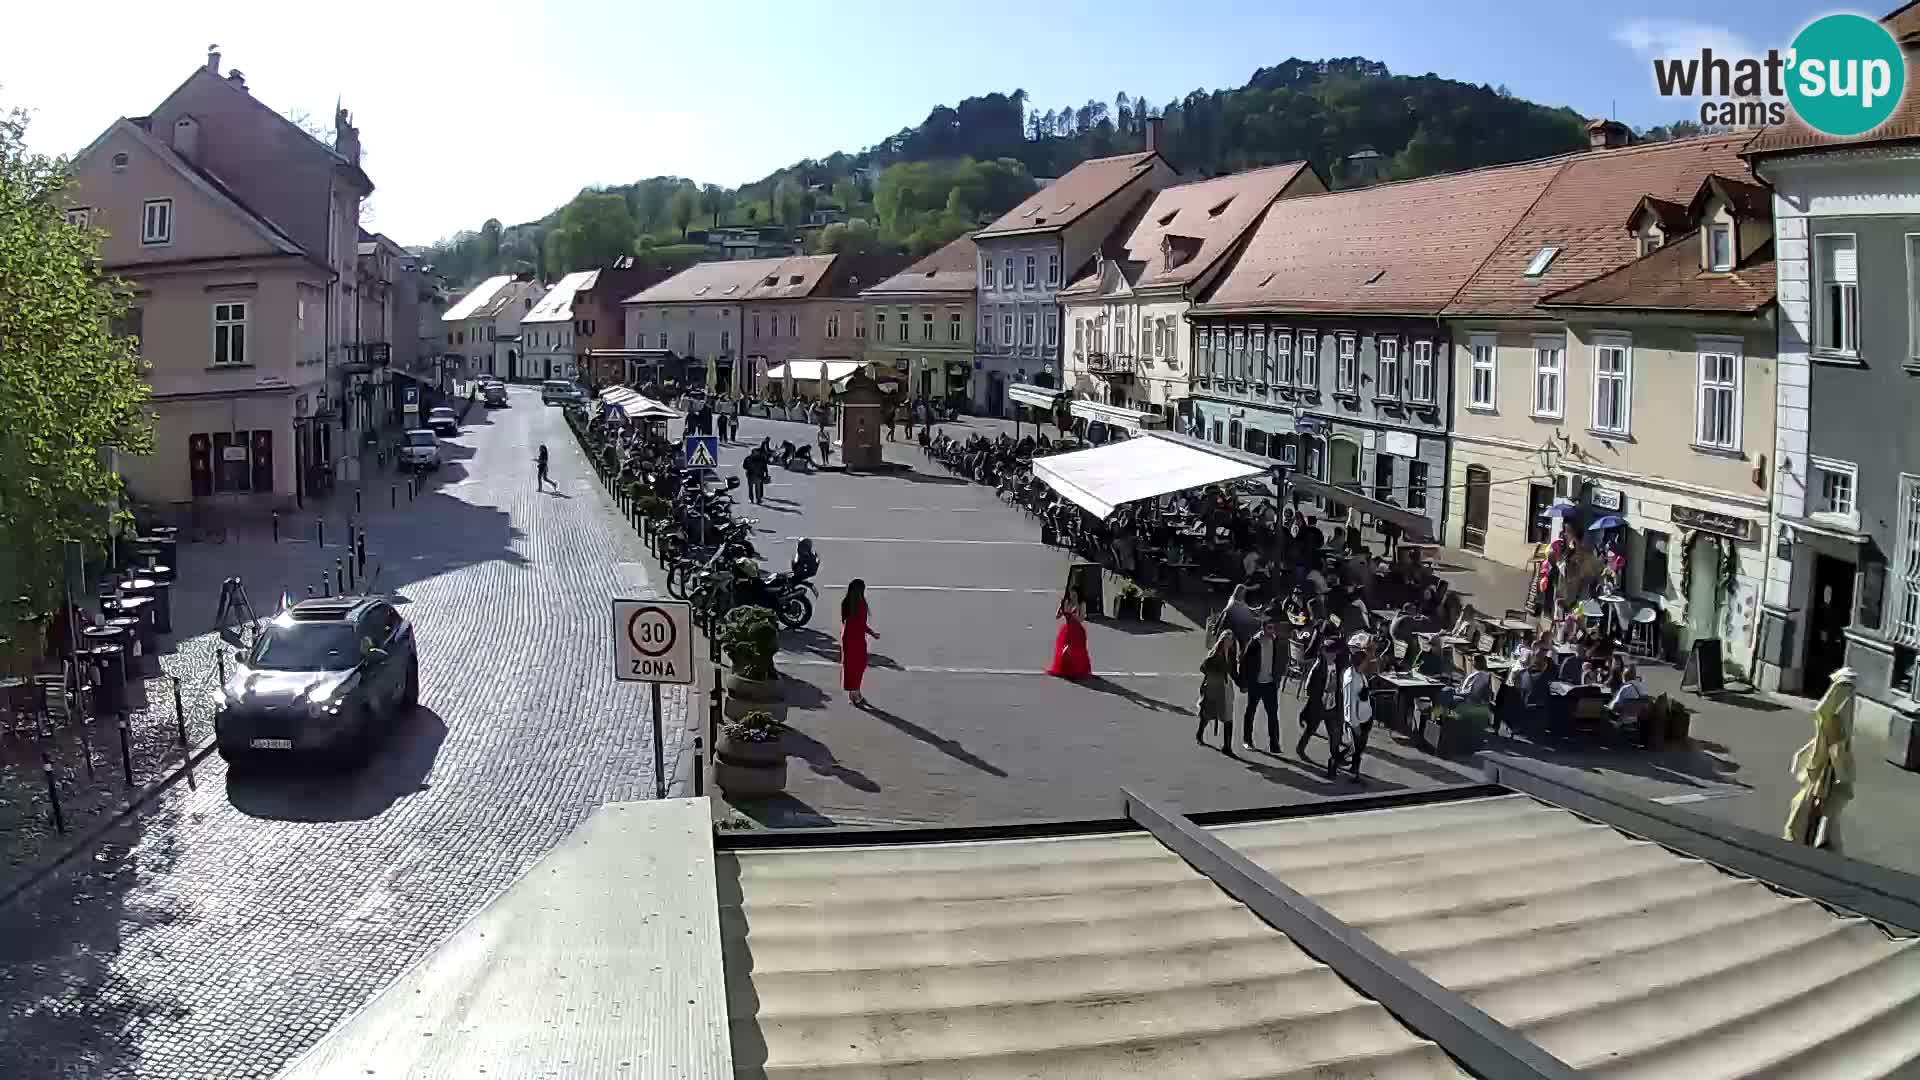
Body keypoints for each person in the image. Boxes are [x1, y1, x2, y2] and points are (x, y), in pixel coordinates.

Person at [1785, 667, 1856, 850]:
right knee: (1806, 808)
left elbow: (1826, 722)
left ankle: (1814, 841)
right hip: (1827, 767)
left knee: (1821, 813)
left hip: (1831, 767)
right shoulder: (1837, 715)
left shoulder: (1840, 711)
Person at [1238, 617, 1286, 755]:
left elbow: (1282, 660)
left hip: (1270, 684)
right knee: (1251, 712)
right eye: (1269, 628)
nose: (1272, 631)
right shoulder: (1255, 643)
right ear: (1263, 628)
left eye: (1273, 628)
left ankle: (1274, 744)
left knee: (1272, 715)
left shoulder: (1276, 642)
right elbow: (1244, 663)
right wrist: (1244, 683)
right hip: (1256, 684)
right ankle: (1247, 740)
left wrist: (1277, 678)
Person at [1295, 638, 1343, 759]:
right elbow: (1309, 688)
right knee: (1311, 729)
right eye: (1330, 652)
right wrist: (1320, 695)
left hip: (1331, 705)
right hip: (1319, 705)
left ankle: (1336, 757)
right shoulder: (1318, 667)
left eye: (1335, 653)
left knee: (1334, 733)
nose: (1333, 655)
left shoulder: (1336, 665)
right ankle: (1300, 749)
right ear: (1324, 652)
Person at [1336, 639, 1377, 781]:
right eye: (1365, 662)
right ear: (1359, 664)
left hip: (1365, 716)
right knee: (1356, 748)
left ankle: (1353, 769)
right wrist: (1354, 725)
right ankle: (1338, 762)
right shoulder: (1351, 680)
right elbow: (1349, 705)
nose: (1367, 664)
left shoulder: (1359, 673)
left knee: (1359, 748)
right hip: (1358, 720)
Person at [1195, 630, 1238, 754]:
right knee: (1208, 713)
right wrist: (1214, 675)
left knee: (1227, 716)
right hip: (1214, 687)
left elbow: (1233, 671)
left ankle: (1227, 747)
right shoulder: (1214, 654)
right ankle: (1200, 733)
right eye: (1227, 639)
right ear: (1222, 640)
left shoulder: (1231, 653)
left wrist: (1242, 684)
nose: (1230, 642)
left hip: (1225, 687)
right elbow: (1203, 668)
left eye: (1231, 639)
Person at [840, 578, 879, 707]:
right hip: (856, 639)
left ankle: (853, 692)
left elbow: (847, 621)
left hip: (848, 637)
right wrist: (873, 633)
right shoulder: (860, 604)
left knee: (850, 665)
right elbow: (861, 625)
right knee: (858, 665)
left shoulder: (847, 602)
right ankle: (855, 693)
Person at [1047, 585, 1093, 680]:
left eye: (1074, 594)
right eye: (1071, 593)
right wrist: (1061, 608)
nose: (1072, 596)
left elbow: (1081, 619)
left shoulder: (1081, 603)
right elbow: (1057, 616)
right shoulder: (1066, 602)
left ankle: (1076, 671)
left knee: (1075, 652)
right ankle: (1065, 670)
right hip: (1067, 630)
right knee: (1064, 651)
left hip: (1077, 631)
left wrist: (1073, 614)